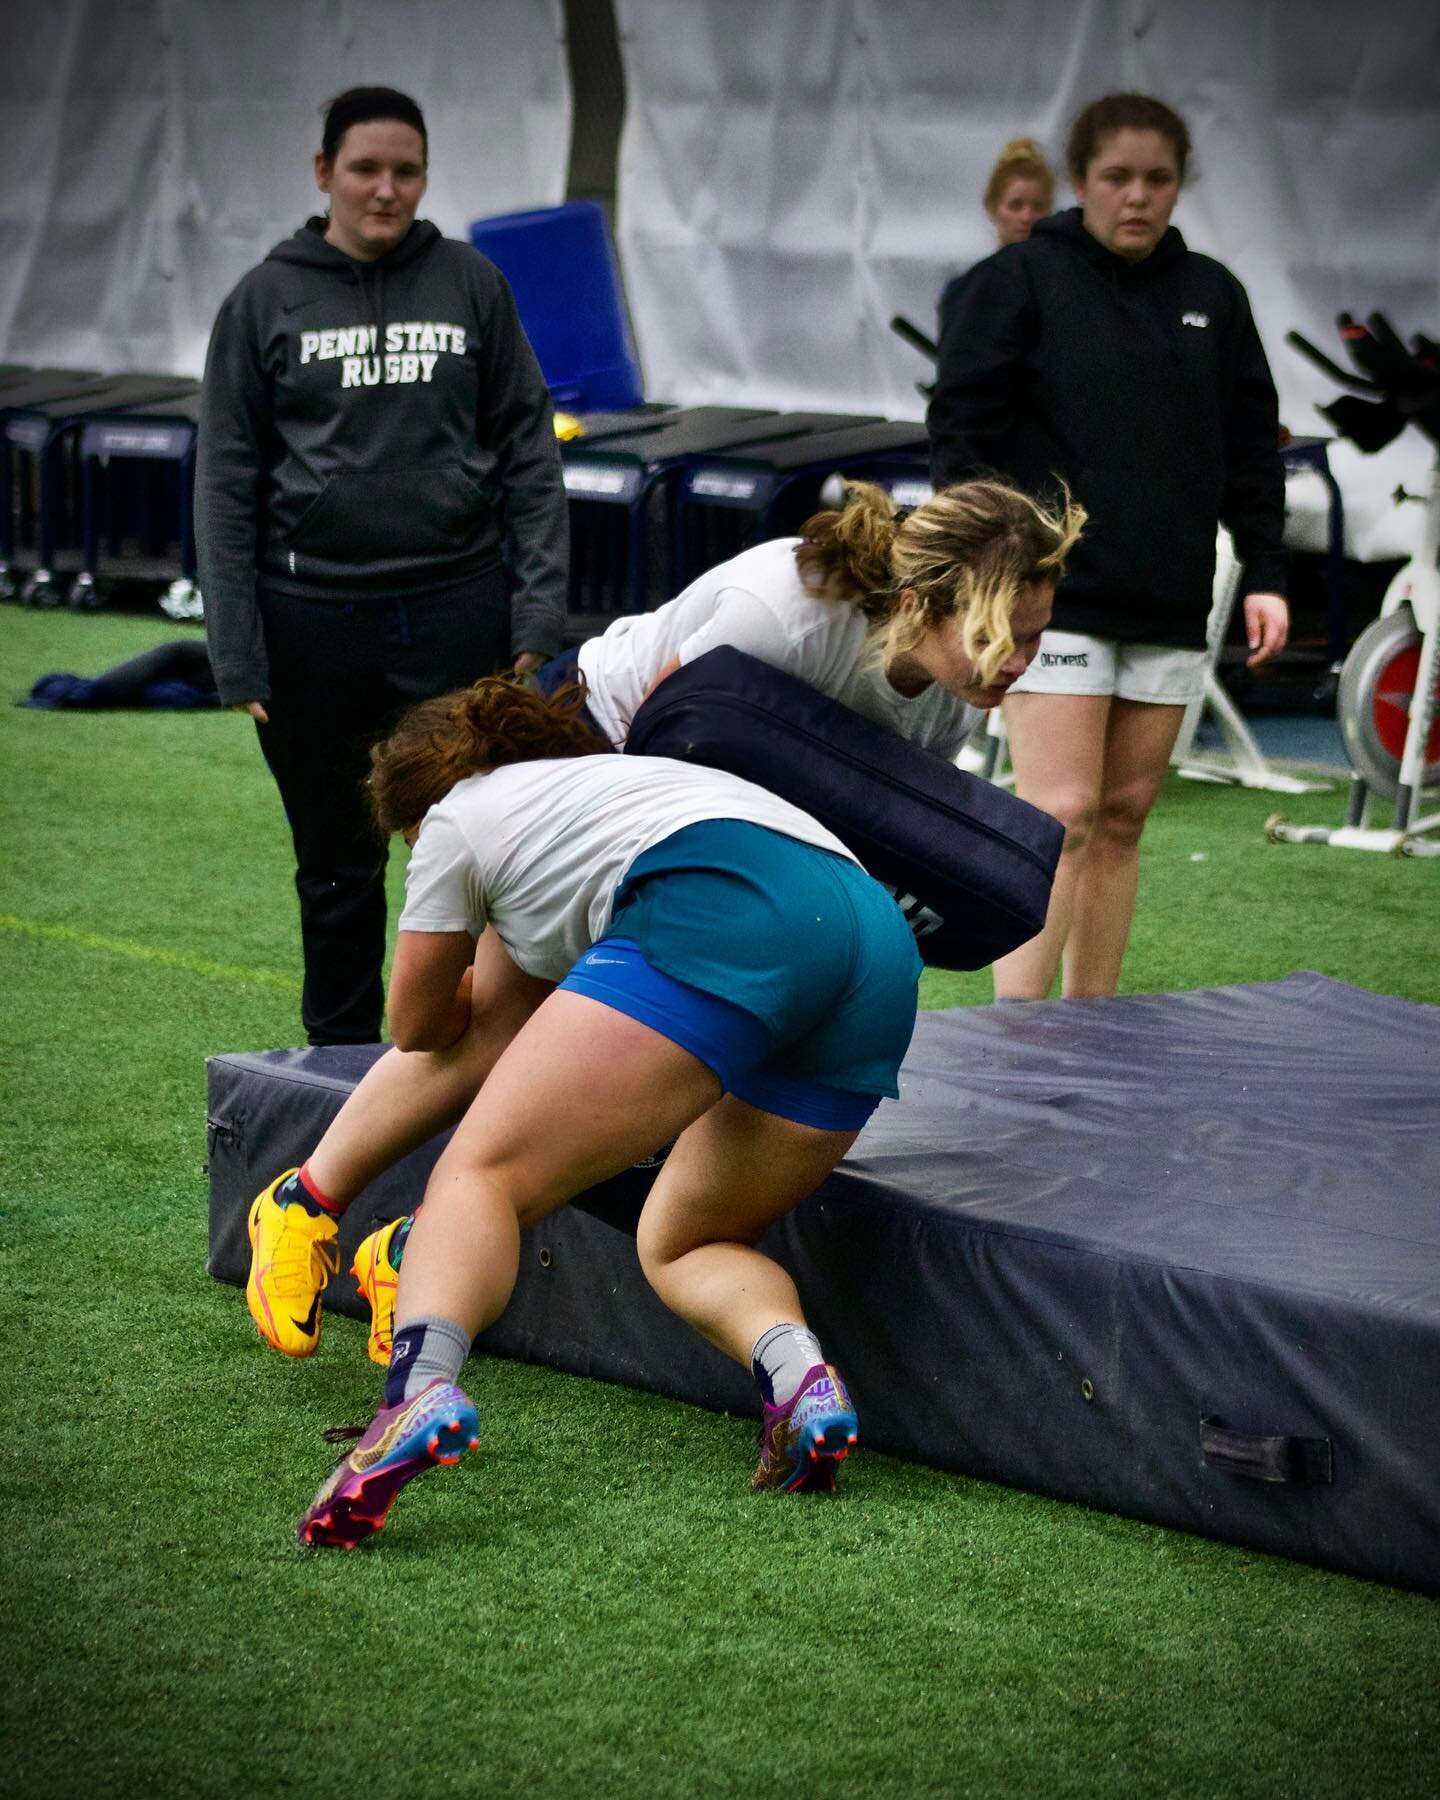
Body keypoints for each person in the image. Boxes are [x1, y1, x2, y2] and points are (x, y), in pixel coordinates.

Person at [243, 478, 1084, 1368]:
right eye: (1009, 636)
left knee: (679, 1055)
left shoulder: (949, 697)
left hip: (740, 837)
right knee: (502, 1014)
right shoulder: (782, 610)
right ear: (919, 603)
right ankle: (306, 1202)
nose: (1024, 661)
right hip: (606, 756)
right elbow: (673, 753)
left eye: (1035, 636)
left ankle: (415, 1250)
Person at [285, 678, 924, 1546]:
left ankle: (418, 1393)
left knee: (481, 1177)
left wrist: (463, 976)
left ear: (420, 803)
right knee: (689, 1240)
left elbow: (415, 1026)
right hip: (873, 941)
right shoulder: (616, 789)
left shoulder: (458, 818)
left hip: (725, 901)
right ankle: (799, 1379)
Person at [196, 85, 568, 1046]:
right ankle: (341, 1073)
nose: (386, 190)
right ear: (324, 173)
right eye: (365, 169)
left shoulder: (471, 284)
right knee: (337, 867)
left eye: (406, 171)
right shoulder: (262, 301)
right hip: (309, 622)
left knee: (492, 858)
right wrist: (236, 653)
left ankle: (497, 1071)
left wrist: (536, 616)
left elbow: (530, 450)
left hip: (457, 611)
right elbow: (225, 488)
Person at [927, 92, 1289, 1000]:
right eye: (1117, 178)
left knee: (1123, 816)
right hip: (1051, 598)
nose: (1138, 197)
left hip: (1169, 591)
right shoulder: (1017, 281)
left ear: (1178, 186)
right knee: (1062, 811)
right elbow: (960, 432)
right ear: (1080, 180)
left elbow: (1252, 446)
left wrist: (1268, 572)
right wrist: (993, 566)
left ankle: (1095, 1029)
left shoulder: (1214, 294)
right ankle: (1018, 1032)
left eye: (1157, 179)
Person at [983, 137, 1054, 248]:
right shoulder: (983, 266)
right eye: (1015, 206)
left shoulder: (1068, 264)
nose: (1027, 217)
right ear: (993, 208)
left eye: (1038, 207)